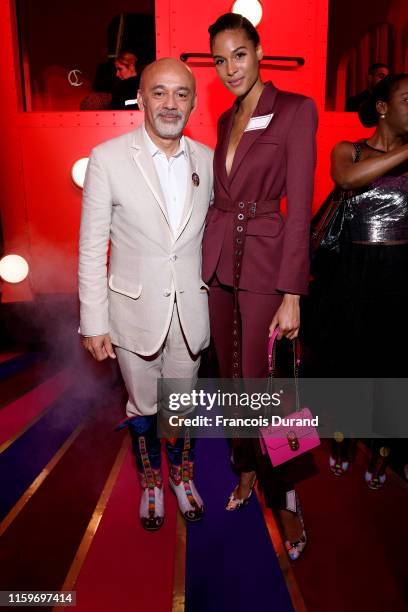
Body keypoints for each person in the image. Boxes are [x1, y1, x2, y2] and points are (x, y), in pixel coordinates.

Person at [78, 58, 213, 530]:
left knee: (181, 403)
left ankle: (181, 475)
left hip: (190, 312)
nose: (170, 103)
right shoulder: (108, 157)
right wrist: (94, 321)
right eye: (159, 92)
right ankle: (152, 480)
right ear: (141, 98)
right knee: (144, 406)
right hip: (132, 314)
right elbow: (93, 244)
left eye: (181, 93)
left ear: (193, 102)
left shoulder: (210, 161)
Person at [202, 13, 317, 560]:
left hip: (269, 267)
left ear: (259, 50)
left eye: (238, 55)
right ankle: (245, 469)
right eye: (220, 60)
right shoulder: (226, 118)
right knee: (231, 381)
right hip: (222, 267)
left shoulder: (294, 110)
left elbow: (299, 210)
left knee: (271, 390)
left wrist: (293, 292)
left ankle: (287, 496)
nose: (230, 69)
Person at [318, 74, 408, 486]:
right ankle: (341, 440)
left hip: (400, 272)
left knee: (392, 368)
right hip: (353, 270)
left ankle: (384, 451)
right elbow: (347, 179)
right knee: (348, 365)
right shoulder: (348, 150)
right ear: (384, 108)